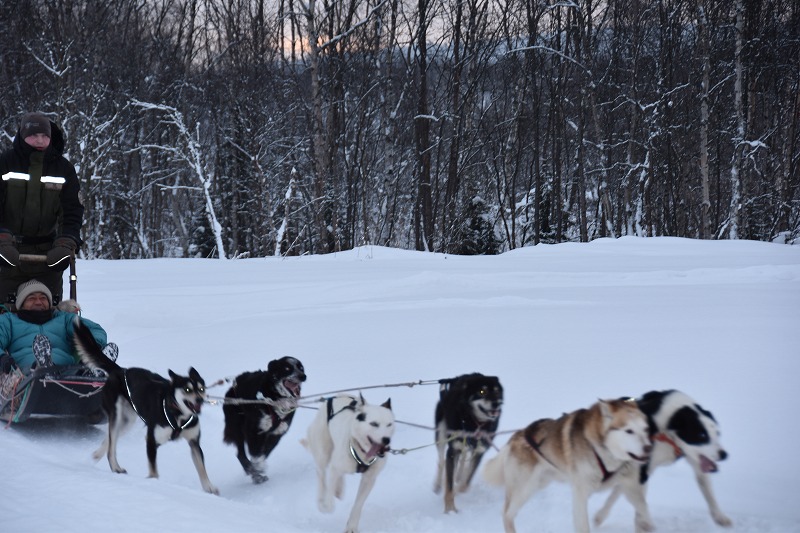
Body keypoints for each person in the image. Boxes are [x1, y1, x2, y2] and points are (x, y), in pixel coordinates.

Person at [0, 112, 84, 307]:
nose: (39, 140)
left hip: (48, 255)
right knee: (5, 310)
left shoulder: (64, 169)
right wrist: (2, 239)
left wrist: (66, 241)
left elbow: (72, 210)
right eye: (33, 135)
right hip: (7, 253)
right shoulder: (5, 163)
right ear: (22, 136)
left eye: (44, 136)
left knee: (48, 309)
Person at [0, 280, 106, 370]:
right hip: (23, 375)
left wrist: (92, 346)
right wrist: (2, 358)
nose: (38, 302)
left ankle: (94, 365)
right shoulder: (9, 320)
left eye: (43, 298)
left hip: (66, 372)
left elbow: (95, 330)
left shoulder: (63, 319)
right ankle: (43, 368)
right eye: (31, 298)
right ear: (21, 304)